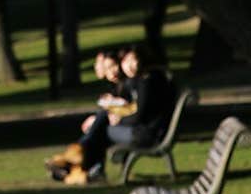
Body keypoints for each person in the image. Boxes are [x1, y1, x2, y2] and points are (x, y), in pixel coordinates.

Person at [48, 44, 178, 186]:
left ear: (141, 59)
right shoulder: (145, 80)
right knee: (102, 122)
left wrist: (117, 120)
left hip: (147, 134)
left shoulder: (147, 81)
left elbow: (139, 115)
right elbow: (136, 111)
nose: (129, 66)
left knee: (102, 127)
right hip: (144, 131)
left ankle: (78, 160)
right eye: (125, 62)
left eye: (132, 60)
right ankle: (84, 167)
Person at [44, 48, 126, 180]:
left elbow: (129, 109)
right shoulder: (117, 87)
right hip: (119, 125)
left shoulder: (126, 85)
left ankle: (75, 160)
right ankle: (85, 169)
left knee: (99, 126)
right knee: (98, 124)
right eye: (105, 66)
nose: (111, 71)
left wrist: (107, 114)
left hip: (130, 128)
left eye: (112, 66)